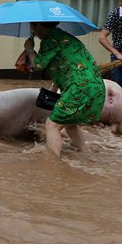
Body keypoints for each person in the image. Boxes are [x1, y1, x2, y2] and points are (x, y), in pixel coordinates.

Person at [18, 22, 105, 159]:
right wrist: (56, 87)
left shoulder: (50, 39)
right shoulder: (65, 37)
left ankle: (53, 162)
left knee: (52, 125)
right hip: (97, 88)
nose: (32, 30)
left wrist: (29, 49)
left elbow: (39, 64)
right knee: (70, 124)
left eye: (32, 27)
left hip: (79, 88)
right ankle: (85, 154)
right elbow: (67, 64)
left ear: (38, 26)